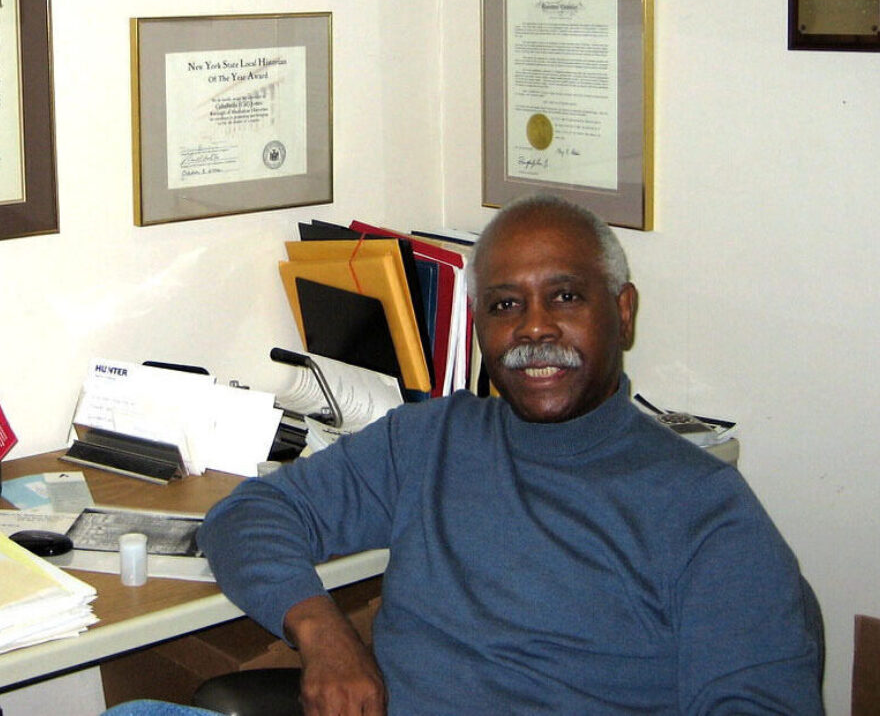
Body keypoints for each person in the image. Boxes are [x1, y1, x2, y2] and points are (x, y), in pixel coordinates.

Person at [109, 195, 824, 715]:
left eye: (565, 297)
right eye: (506, 305)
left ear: (624, 310)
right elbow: (249, 515)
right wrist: (324, 633)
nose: (534, 328)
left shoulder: (705, 512)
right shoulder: (432, 440)